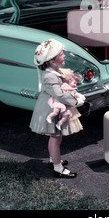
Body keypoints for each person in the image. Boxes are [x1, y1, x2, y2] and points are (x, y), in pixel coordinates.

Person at [30, 39, 85, 178]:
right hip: (51, 109)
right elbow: (59, 94)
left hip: (55, 107)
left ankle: (53, 160)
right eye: (61, 54)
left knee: (56, 137)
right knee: (55, 138)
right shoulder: (49, 77)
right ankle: (58, 168)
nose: (64, 55)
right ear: (51, 61)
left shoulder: (54, 71)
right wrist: (76, 101)